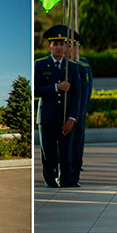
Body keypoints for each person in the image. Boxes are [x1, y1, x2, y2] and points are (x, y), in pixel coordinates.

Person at [34, 25, 81, 188]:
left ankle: (66, 183)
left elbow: (77, 95)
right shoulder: (40, 65)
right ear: (49, 46)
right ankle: (51, 182)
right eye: (55, 44)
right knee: (48, 153)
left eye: (62, 44)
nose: (59, 47)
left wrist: (72, 118)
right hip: (47, 117)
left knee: (66, 153)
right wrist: (56, 87)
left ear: (66, 46)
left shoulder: (73, 67)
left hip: (66, 118)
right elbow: (35, 90)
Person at [68, 39, 92, 187]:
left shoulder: (83, 64)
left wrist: (80, 111)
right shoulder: (62, 65)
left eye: (75, 46)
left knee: (77, 144)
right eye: (70, 46)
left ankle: (74, 174)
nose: (73, 49)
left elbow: (87, 90)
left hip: (78, 112)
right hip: (63, 111)